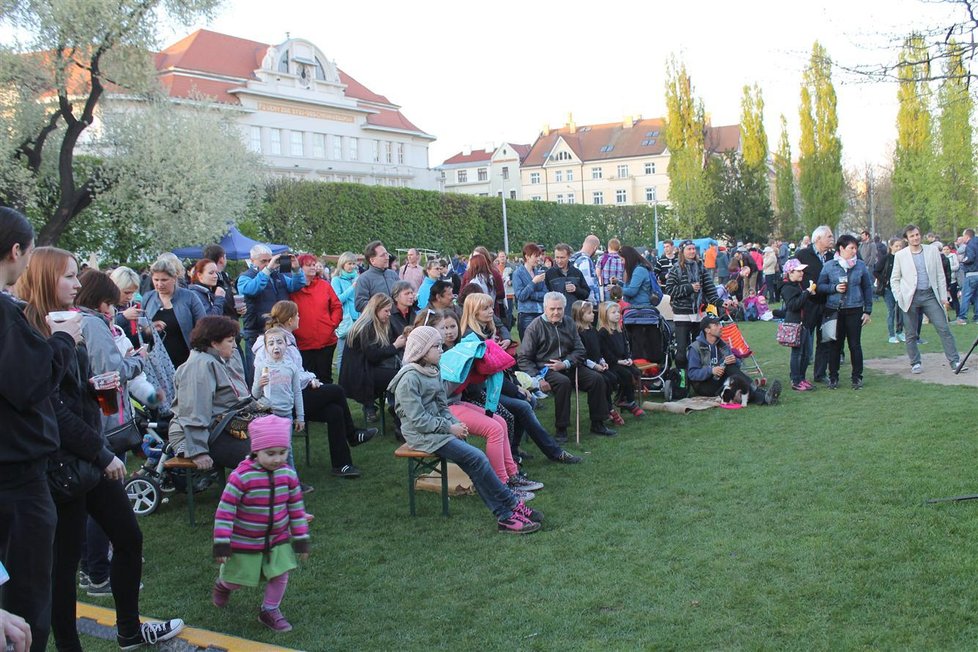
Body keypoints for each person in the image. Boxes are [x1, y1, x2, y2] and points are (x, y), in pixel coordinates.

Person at [17, 247, 184, 652]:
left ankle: (128, 631)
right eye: (70, 276)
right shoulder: (30, 328)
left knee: (128, 538)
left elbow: (70, 391)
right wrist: (103, 452)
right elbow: (51, 407)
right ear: (43, 278)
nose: (79, 284)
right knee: (64, 566)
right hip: (64, 465)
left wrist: (96, 389)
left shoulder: (71, 323)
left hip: (87, 454)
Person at [388, 327, 543, 534]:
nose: (442, 350)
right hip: (423, 436)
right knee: (477, 458)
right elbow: (418, 420)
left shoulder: (433, 370)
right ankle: (509, 508)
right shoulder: (409, 379)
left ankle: (507, 511)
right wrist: (450, 427)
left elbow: (443, 407)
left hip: (439, 430)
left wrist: (455, 424)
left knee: (475, 462)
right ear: (422, 350)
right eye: (436, 346)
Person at [0, 210, 68, 652]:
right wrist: (63, 342)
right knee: (26, 606)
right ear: (17, 251)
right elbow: (28, 385)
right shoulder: (8, 314)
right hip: (17, 477)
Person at [212, 415, 310, 632]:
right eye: (271, 454)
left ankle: (269, 610)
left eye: (282, 453)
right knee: (236, 580)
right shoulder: (241, 477)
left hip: (277, 540)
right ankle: (223, 585)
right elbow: (225, 511)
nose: (277, 459)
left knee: (280, 574)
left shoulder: (288, 474)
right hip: (245, 542)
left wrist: (301, 538)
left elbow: (295, 508)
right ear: (256, 450)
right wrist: (222, 542)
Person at [256, 302, 376, 479]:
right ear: (290, 320)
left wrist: (311, 378)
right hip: (285, 400)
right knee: (336, 391)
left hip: (296, 391)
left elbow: (297, 371)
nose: (300, 318)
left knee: (334, 412)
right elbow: (284, 373)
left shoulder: (286, 338)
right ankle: (352, 435)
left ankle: (342, 465)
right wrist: (310, 379)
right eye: (297, 315)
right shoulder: (276, 342)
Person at [517, 292, 616, 439]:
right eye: (552, 309)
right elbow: (524, 358)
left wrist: (565, 363)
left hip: (569, 365)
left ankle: (598, 423)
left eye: (559, 308)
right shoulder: (534, 327)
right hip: (545, 369)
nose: (556, 312)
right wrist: (537, 378)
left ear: (564, 308)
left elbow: (580, 350)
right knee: (563, 383)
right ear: (545, 308)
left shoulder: (569, 323)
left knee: (597, 379)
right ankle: (561, 428)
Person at [168, 316, 254, 470]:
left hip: (220, 426)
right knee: (259, 456)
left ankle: (285, 485)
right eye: (230, 341)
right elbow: (194, 411)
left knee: (272, 435)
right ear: (214, 343)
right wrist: (198, 451)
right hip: (198, 436)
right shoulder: (199, 366)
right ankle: (278, 488)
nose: (235, 345)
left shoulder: (219, 359)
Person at [890, 224, 966, 374]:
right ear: (907, 239)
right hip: (910, 297)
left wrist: (944, 296)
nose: (915, 238)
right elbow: (895, 279)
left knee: (943, 328)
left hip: (930, 295)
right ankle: (915, 363)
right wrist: (899, 296)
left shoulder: (931, 251)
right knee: (911, 333)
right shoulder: (901, 255)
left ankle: (955, 361)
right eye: (912, 236)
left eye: (917, 234)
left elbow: (939, 274)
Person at [110, 266, 176, 413]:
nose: (130, 296)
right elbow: (109, 331)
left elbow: (133, 336)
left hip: (136, 363)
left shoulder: (132, 306)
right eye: (126, 292)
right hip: (119, 368)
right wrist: (122, 318)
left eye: (132, 292)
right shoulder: (110, 309)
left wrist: (148, 331)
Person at [817, 234, 874, 390]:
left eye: (856, 248)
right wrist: (834, 288)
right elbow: (820, 286)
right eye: (851, 248)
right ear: (841, 248)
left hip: (855, 309)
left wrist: (867, 310)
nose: (854, 251)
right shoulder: (829, 266)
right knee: (835, 345)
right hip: (835, 309)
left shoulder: (860, 266)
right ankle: (833, 377)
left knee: (855, 345)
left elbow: (867, 288)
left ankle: (857, 377)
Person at [339, 293, 407, 422]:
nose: (389, 314)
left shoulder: (374, 323)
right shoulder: (366, 327)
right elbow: (373, 355)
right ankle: (398, 410)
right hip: (361, 374)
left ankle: (398, 408)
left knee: (403, 374)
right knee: (401, 377)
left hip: (367, 368)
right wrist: (395, 346)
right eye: (386, 311)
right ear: (376, 310)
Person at [687, 314, 782, 405]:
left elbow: (737, 367)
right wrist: (711, 370)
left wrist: (735, 360)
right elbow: (692, 374)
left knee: (735, 377)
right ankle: (763, 395)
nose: (720, 327)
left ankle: (763, 397)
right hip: (704, 386)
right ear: (707, 330)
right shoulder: (695, 348)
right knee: (733, 378)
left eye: (720, 323)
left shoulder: (722, 344)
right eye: (716, 325)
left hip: (720, 381)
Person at [665, 240, 721, 372]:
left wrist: (720, 302)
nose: (692, 251)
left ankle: (698, 375)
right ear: (682, 252)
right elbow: (670, 290)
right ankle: (682, 379)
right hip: (682, 314)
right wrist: (689, 288)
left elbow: (710, 289)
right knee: (681, 351)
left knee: (700, 348)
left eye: (693, 249)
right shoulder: (676, 268)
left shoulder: (701, 267)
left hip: (699, 314)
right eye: (688, 249)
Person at [143, 256, 206, 369]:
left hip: (187, 360)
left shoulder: (190, 297)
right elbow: (141, 330)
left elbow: (203, 326)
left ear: (174, 278)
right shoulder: (148, 298)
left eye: (164, 280)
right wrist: (148, 329)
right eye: (156, 280)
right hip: (157, 363)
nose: (159, 284)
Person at [290, 253, 342, 384]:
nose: (313, 267)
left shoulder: (324, 285)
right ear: (299, 268)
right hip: (303, 343)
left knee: (325, 378)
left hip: (326, 341)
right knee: (307, 380)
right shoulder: (292, 288)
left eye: (314, 265)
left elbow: (336, 306)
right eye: (308, 265)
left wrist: (331, 324)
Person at [572, 301, 623, 425]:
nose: (593, 315)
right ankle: (608, 409)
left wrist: (602, 361)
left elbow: (598, 350)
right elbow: (582, 356)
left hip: (597, 363)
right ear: (580, 315)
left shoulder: (593, 330)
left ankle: (608, 406)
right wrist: (595, 366)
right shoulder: (579, 333)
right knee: (602, 380)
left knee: (611, 377)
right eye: (589, 313)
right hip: (586, 366)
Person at [795, 225, 835, 383]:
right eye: (829, 236)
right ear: (818, 239)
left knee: (825, 339)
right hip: (809, 303)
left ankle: (820, 374)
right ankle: (800, 375)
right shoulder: (803, 254)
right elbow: (794, 275)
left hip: (827, 303)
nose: (832, 239)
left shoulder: (832, 257)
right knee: (805, 340)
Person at [597, 301, 644, 416]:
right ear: (605, 315)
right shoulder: (603, 333)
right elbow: (605, 352)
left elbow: (625, 346)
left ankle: (621, 397)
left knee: (635, 371)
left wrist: (628, 358)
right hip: (612, 363)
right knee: (625, 374)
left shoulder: (620, 330)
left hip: (622, 360)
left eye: (618, 312)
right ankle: (629, 401)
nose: (617, 314)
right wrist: (618, 361)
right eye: (613, 312)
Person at [780, 259, 817, 391]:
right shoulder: (787, 287)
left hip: (804, 323)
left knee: (806, 353)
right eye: (798, 270)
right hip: (795, 324)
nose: (802, 273)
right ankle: (796, 380)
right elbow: (793, 305)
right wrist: (806, 292)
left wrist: (808, 293)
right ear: (790, 272)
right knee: (797, 353)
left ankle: (801, 377)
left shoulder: (797, 285)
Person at [330, 251, 359, 373]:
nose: (352, 266)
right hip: (345, 319)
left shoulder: (357, 277)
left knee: (357, 350)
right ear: (342, 264)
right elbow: (338, 299)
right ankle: (342, 377)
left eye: (353, 264)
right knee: (342, 351)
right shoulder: (336, 280)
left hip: (358, 317)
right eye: (349, 263)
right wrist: (352, 287)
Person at [512, 243, 548, 338]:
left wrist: (531, 295)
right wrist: (533, 282)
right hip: (526, 314)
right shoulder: (517, 274)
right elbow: (520, 296)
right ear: (527, 257)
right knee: (528, 346)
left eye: (539, 256)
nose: (538, 258)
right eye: (536, 256)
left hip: (541, 313)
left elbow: (545, 294)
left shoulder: (539, 272)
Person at [354, 240, 399, 312]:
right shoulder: (364, 279)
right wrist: (381, 307)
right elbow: (359, 304)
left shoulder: (393, 275)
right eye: (382, 255)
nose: (387, 258)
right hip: (377, 322)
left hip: (397, 321)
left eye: (387, 254)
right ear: (372, 260)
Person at [545, 244, 590, 308]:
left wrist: (576, 289)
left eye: (562, 257)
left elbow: (586, 294)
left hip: (574, 314)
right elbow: (545, 296)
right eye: (557, 257)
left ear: (569, 256)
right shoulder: (549, 274)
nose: (559, 261)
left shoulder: (577, 273)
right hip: (556, 313)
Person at [879, 238, 906, 344]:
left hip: (901, 288)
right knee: (891, 310)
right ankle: (891, 335)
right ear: (891, 247)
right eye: (896, 246)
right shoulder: (886, 258)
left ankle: (900, 331)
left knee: (901, 310)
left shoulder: (904, 258)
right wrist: (885, 281)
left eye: (900, 246)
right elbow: (876, 271)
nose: (899, 248)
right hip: (888, 289)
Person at [956, 228, 978, 324]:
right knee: (977, 297)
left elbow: (970, 258)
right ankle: (977, 317)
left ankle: (962, 317)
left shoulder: (969, 245)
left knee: (965, 296)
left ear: (967, 236)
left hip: (971, 274)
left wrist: (963, 260)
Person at [571, 234, 601, 303]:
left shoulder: (573, 258)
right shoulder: (585, 260)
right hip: (585, 302)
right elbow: (588, 283)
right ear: (595, 248)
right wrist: (594, 302)